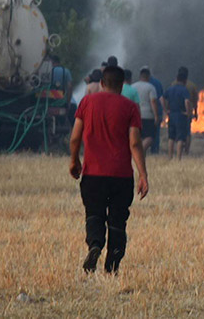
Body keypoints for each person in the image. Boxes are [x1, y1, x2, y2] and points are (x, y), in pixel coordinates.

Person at [68, 65, 149, 274]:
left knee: (94, 214)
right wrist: (143, 174)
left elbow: (75, 136)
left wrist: (74, 160)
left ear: (102, 83)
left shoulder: (87, 102)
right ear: (122, 85)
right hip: (121, 176)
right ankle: (113, 263)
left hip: (93, 174)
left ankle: (95, 244)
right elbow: (134, 143)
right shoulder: (130, 107)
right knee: (118, 219)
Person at [161, 67, 193, 160]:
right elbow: (187, 101)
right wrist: (188, 112)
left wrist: (165, 110)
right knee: (180, 138)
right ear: (185, 80)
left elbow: (161, 98)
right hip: (180, 115)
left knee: (171, 137)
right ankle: (178, 158)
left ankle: (170, 156)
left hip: (171, 115)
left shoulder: (170, 88)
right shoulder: (184, 90)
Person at [132, 68, 160, 154]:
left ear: (140, 76)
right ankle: (140, 151)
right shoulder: (151, 87)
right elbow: (153, 101)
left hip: (135, 115)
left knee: (138, 136)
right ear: (148, 77)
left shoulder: (133, 87)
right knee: (150, 137)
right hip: (148, 115)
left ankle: (138, 152)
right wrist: (156, 116)